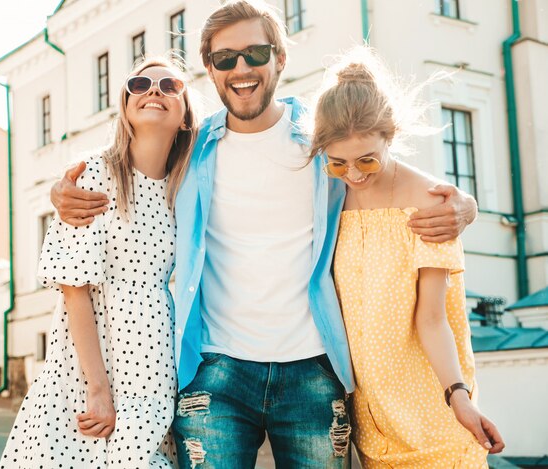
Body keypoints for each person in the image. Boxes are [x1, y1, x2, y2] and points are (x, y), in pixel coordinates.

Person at [51, 1, 479, 467]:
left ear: (280, 58)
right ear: (210, 69)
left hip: (313, 372)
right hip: (216, 373)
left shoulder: (321, 145)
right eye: (225, 58)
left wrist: (463, 202)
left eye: (255, 54)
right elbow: (132, 160)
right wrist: (65, 190)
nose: (241, 68)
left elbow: (382, 171)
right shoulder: (190, 151)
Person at [309, 46, 505, 467]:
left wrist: (459, 397)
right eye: (338, 163)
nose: (355, 174)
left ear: (390, 136)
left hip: (432, 412)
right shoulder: (328, 198)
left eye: (367, 160)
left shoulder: (430, 202)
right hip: (368, 418)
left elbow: (432, 319)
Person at [0, 56, 197, 468]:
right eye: (140, 84)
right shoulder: (94, 174)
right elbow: (74, 288)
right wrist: (98, 389)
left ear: (184, 116)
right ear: (125, 107)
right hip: (90, 359)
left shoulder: (188, 183)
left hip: (155, 358)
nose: (154, 91)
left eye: (169, 85)